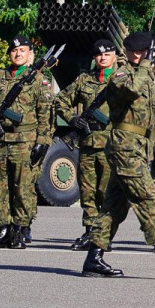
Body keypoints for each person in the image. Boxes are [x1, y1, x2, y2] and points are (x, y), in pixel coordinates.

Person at [81, 31, 155, 278]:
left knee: (114, 207)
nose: (152, 57)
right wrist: (144, 65)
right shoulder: (121, 74)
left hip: (138, 147)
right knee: (149, 197)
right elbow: (131, 90)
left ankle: (93, 258)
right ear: (137, 52)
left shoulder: (149, 78)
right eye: (148, 52)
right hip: (125, 145)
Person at [0, 36, 53, 249]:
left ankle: (20, 228)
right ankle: (4, 228)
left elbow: (46, 115)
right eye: (14, 51)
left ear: (30, 54)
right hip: (0, 140)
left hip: (24, 141)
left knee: (23, 187)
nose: (18, 54)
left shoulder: (38, 79)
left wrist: (42, 142)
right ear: (10, 53)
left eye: (23, 51)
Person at [53, 38, 119, 251]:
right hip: (88, 143)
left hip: (111, 145)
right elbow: (60, 101)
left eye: (107, 54)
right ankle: (89, 232)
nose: (102, 58)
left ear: (114, 57)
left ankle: (104, 234)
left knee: (106, 192)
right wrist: (73, 119)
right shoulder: (84, 80)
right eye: (99, 55)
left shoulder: (123, 80)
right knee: (88, 192)